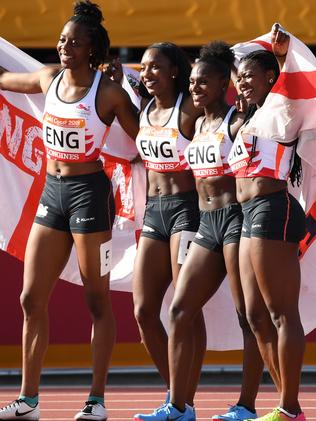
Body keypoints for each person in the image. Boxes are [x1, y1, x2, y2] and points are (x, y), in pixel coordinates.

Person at [0, 1, 138, 420]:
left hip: (90, 196)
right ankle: (28, 400)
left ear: (92, 49)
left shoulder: (107, 91)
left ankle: (96, 401)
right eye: (62, 40)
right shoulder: (48, 78)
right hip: (53, 194)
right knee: (30, 298)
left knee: (97, 300)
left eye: (74, 42)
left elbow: (146, 136)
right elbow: (5, 79)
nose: (65, 47)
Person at [139, 41, 263, 421]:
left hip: (235, 222)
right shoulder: (196, 123)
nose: (195, 88)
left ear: (223, 82)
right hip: (205, 224)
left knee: (249, 316)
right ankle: (179, 406)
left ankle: (246, 405)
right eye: (192, 82)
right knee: (179, 309)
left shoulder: (237, 121)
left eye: (203, 82)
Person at [227, 24, 306, 421]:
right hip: (246, 215)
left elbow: (299, 72)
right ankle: (283, 403)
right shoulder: (246, 117)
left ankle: (290, 406)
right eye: (238, 76)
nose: (241, 82)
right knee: (255, 316)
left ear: (273, 78)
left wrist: (281, 48)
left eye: (249, 75)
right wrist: (241, 62)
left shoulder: (283, 106)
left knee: (280, 313)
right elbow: (232, 68)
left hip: (274, 208)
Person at [132, 42, 201, 421]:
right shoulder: (141, 110)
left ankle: (181, 404)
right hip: (153, 212)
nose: (147, 74)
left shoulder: (188, 108)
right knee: (144, 311)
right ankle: (176, 393)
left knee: (184, 308)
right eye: (143, 68)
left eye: (155, 67)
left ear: (175, 71)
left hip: (186, 211)